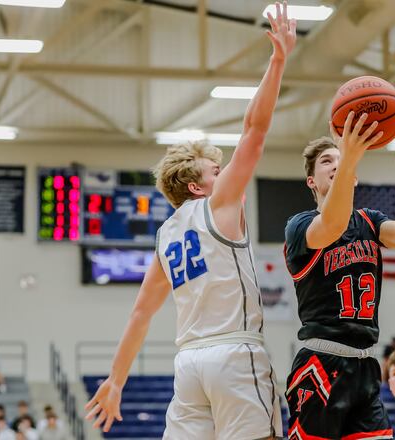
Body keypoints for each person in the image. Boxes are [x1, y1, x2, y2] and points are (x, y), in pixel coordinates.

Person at [84, 4, 297, 439]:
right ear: (197, 187)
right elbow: (255, 132)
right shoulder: (218, 205)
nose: (225, 175)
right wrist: (278, 60)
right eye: (215, 171)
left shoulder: (165, 235)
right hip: (234, 354)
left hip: (189, 364)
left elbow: (141, 313)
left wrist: (117, 379)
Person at [283, 112, 395, 438]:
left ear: (354, 177)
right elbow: (332, 225)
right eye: (326, 161)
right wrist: (348, 158)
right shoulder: (300, 226)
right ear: (311, 181)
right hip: (321, 363)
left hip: (365, 365)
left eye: (339, 158)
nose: (335, 163)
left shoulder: (369, 221)